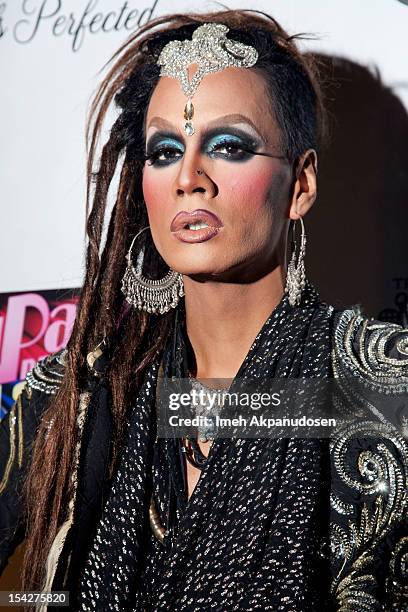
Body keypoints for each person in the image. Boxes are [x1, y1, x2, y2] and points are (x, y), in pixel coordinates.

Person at [1, 9, 407, 612]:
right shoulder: (72, 399)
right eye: (164, 151)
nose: (190, 177)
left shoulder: (383, 387)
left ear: (301, 185)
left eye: (229, 145)